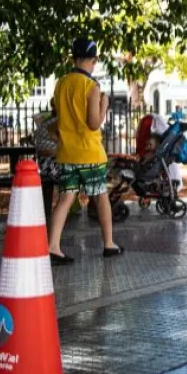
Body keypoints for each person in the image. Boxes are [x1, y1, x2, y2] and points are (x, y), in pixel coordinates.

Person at [48, 38, 124, 265]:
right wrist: (104, 105)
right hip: (90, 154)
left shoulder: (61, 83)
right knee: (100, 197)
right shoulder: (91, 86)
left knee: (65, 199)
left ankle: (53, 247)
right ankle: (109, 244)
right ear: (95, 60)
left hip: (67, 154)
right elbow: (93, 123)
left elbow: (57, 119)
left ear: (73, 58)